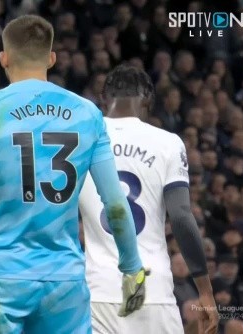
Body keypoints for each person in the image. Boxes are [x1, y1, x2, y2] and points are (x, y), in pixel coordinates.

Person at [0, 15, 149, 333]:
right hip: (64, 280)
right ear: (51, 58)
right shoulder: (88, 114)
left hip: (0, 276)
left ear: (3, 58)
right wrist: (132, 267)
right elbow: (116, 204)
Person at [78, 64, 219, 334]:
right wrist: (205, 291)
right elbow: (180, 216)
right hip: (152, 292)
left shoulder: (82, 141)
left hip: (97, 292)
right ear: (147, 101)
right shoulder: (167, 142)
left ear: (104, 98)